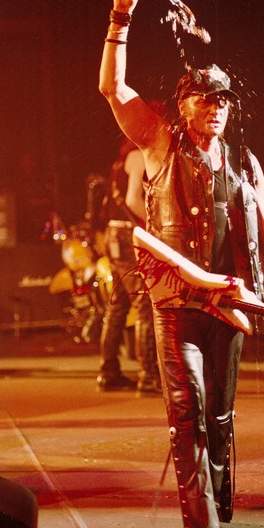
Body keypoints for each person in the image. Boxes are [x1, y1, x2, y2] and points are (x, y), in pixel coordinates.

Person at [99, 0, 264, 528]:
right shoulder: (158, 143)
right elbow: (113, 88)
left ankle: (217, 499)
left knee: (219, 416)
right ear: (184, 103)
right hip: (177, 305)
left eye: (223, 101)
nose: (215, 108)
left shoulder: (245, 162)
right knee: (186, 418)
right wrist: (121, 15)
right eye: (205, 99)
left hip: (231, 306)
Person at [97, 136, 160, 395]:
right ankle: (148, 377)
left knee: (118, 306)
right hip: (127, 235)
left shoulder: (120, 160)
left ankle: (108, 372)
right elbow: (133, 199)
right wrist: (156, 225)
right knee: (144, 306)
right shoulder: (137, 156)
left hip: (113, 234)